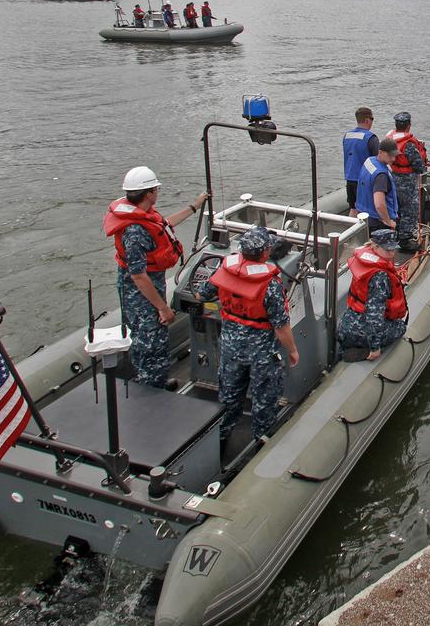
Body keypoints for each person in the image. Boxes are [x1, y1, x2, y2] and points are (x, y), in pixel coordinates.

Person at [102, 167, 208, 389]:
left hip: (148, 286)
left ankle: (154, 380)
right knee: (150, 343)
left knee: (149, 340)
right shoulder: (134, 231)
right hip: (141, 294)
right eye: (156, 189)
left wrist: (194, 207)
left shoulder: (141, 216)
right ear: (148, 193)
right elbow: (138, 276)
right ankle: (152, 391)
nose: (157, 192)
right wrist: (162, 307)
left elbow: (163, 226)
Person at [195, 226, 298, 443]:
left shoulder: (224, 269)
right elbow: (281, 326)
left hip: (230, 346)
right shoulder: (270, 285)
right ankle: (261, 440)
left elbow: (201, 294)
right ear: (264, 253)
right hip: (261, 352)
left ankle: (221, 437)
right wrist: (292, 350)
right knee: (264, 398)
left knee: (229, 395)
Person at [337, 229, 408, 361]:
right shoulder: (380, 277)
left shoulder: (364, 259)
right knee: (400, 327)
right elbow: (374, 316)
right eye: (388, 250)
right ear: (375, 247)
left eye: (393, 249)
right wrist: (375, 348)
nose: (392, 253)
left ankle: (346, 345)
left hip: (345, 326)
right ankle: (365, 351)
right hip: (361, 331)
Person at [385, 112, 428, 251]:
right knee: (409, 209)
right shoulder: (408, 144)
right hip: (407, 180)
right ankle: (406, 240)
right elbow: (418, 165)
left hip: (393, 177)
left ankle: (395, 233)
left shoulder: (389, 140)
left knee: (396, 207)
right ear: (408, 126)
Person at [355, 139, 399, 233]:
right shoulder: (381, 175)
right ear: (380, 152)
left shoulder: (369, 161)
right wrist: (388, 221)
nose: (393, 159)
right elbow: (379, 204)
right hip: (377, 221)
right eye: (390, 155)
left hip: (363, 214)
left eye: (394, 155)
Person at [342, 107, 379, 206]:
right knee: (366, 210)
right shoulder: (371, 138)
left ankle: (350, 222)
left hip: (349, 178)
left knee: (353, 209)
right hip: (364, 181)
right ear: (367, 120)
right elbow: (378, 162)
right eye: (372, 119)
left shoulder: (347, 136)